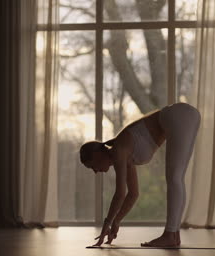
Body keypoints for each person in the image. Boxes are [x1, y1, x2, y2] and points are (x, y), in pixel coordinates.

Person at [80, 102, 201, 247]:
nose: (95, 171)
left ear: (97, 155)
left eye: (92, 166)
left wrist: (107, 222)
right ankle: (174, 235)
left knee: (175, 178)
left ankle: (170, 235)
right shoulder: (124, 154)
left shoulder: (118, 150)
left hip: (179, 115)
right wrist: (117, 220)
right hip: (185, 115)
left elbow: (120, 193)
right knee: (177, 178)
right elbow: (133, 193)